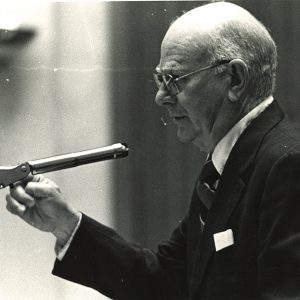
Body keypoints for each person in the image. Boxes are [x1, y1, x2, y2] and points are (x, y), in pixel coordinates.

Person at [5, 2, 300, 299]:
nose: (161, 98)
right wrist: (65, 224)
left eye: (173, 80)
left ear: (234, 79)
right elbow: (166, 282)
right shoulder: (227, 167)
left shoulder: (288, 165)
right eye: (160, 80)